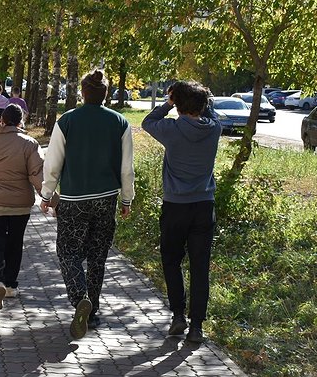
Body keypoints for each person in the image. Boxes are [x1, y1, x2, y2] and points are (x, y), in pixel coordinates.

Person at [40, 69, 135, 340]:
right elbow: (126, 167)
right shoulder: (120, 122)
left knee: (68, 252)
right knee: (97, 257)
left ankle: (79, 297)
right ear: (106, 94)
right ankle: (91, 312)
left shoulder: (67, 121)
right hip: (106, 199)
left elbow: (53, 162)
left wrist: (47, 195)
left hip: (73, 200)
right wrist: (126, 198)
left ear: (83, 93)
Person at [141, 80, 221, 345]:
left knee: (171, 260)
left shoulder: (171, 129)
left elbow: (147, 121)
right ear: (202, 104)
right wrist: (201, 99)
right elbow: (210, 111)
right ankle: (196, 327)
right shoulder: (214, 129)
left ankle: (178, 315)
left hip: (175, 206)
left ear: (177, 104)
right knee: (200, 267)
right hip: (203, 206)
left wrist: (168, 103)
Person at [0, 104, 43, 311]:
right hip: (20, 205)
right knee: (15, 243)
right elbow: (36, 174)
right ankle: (11, 284)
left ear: (1, 119)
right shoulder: (30, 144)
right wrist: (50, 199)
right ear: (22, 121)